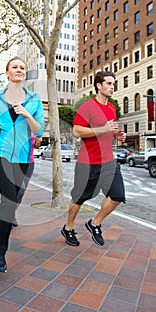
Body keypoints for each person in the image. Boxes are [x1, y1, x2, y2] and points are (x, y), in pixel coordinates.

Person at [0, 56, 44, 273]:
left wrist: (27, 114)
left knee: (12, 203)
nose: (19, 70)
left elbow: (39, 131)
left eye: (22, 68)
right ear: (7, 72)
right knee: (8, 201)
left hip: (25, 159)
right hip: (0, 154)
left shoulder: (34, 99)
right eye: (15, 67)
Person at [61, 71, 126, 247]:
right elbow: (76, 131)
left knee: (118, 196)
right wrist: (102, 129)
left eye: (113, 84)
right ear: (98, 85)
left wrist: (118, 135)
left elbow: (109, 131)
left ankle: (95, 223)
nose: (112, 87)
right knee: (79, 198)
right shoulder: (87, 106)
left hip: (109, 161)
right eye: (108, 83)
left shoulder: (112, 108)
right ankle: (68, 227)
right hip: (88, 162)